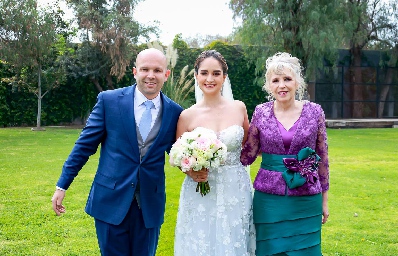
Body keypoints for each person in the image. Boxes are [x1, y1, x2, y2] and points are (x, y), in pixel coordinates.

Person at [51, 48, 183, 256]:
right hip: (110, 201)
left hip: (149, 204)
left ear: (166, 74)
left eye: (157, 70)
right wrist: (62, 185)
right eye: (145, 69)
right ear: (134, 72)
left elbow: (180, 153)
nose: (150, 75)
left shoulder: (175, 112)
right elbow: (84, 145)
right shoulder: (109, 101)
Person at [240, 52, 329, 256]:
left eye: (287, 79)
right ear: (269, 86)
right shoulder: (261, 112)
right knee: (269, 250)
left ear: (297, 82)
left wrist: (324, 200)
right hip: (269, 200)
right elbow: (248, 155)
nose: (282, 85)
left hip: (306, 198)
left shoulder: (315, 111)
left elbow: (322, 156)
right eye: (276, 80)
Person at [173, 50, 255, 255]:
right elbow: (178, 156)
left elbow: (249, 146)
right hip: (201, 187)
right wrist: (191, 172)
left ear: (224, 77)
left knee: (235, 238)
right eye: (204, 73)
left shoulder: (239, 108)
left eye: (216, 73)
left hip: (235, 187)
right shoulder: (187, 116)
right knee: (201, 240)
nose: (210, 79)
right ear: (196, 76)